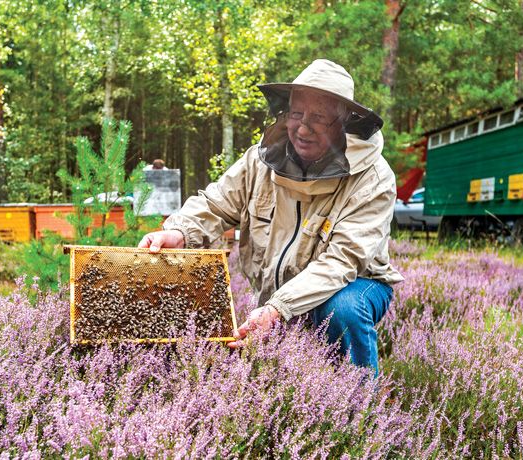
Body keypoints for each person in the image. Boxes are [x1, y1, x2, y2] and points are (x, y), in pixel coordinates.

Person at [138, 59, 404, 375]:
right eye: (296, 114)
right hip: (277, 289)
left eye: (318, 117)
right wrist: (179, 231)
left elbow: (341, 262)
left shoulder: (373, 179)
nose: (303, 127)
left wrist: (277, 310)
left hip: (359, 282)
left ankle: (359, 410)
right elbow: (216, 204)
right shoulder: (258, 161)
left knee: (341, 310)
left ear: (342, 122)